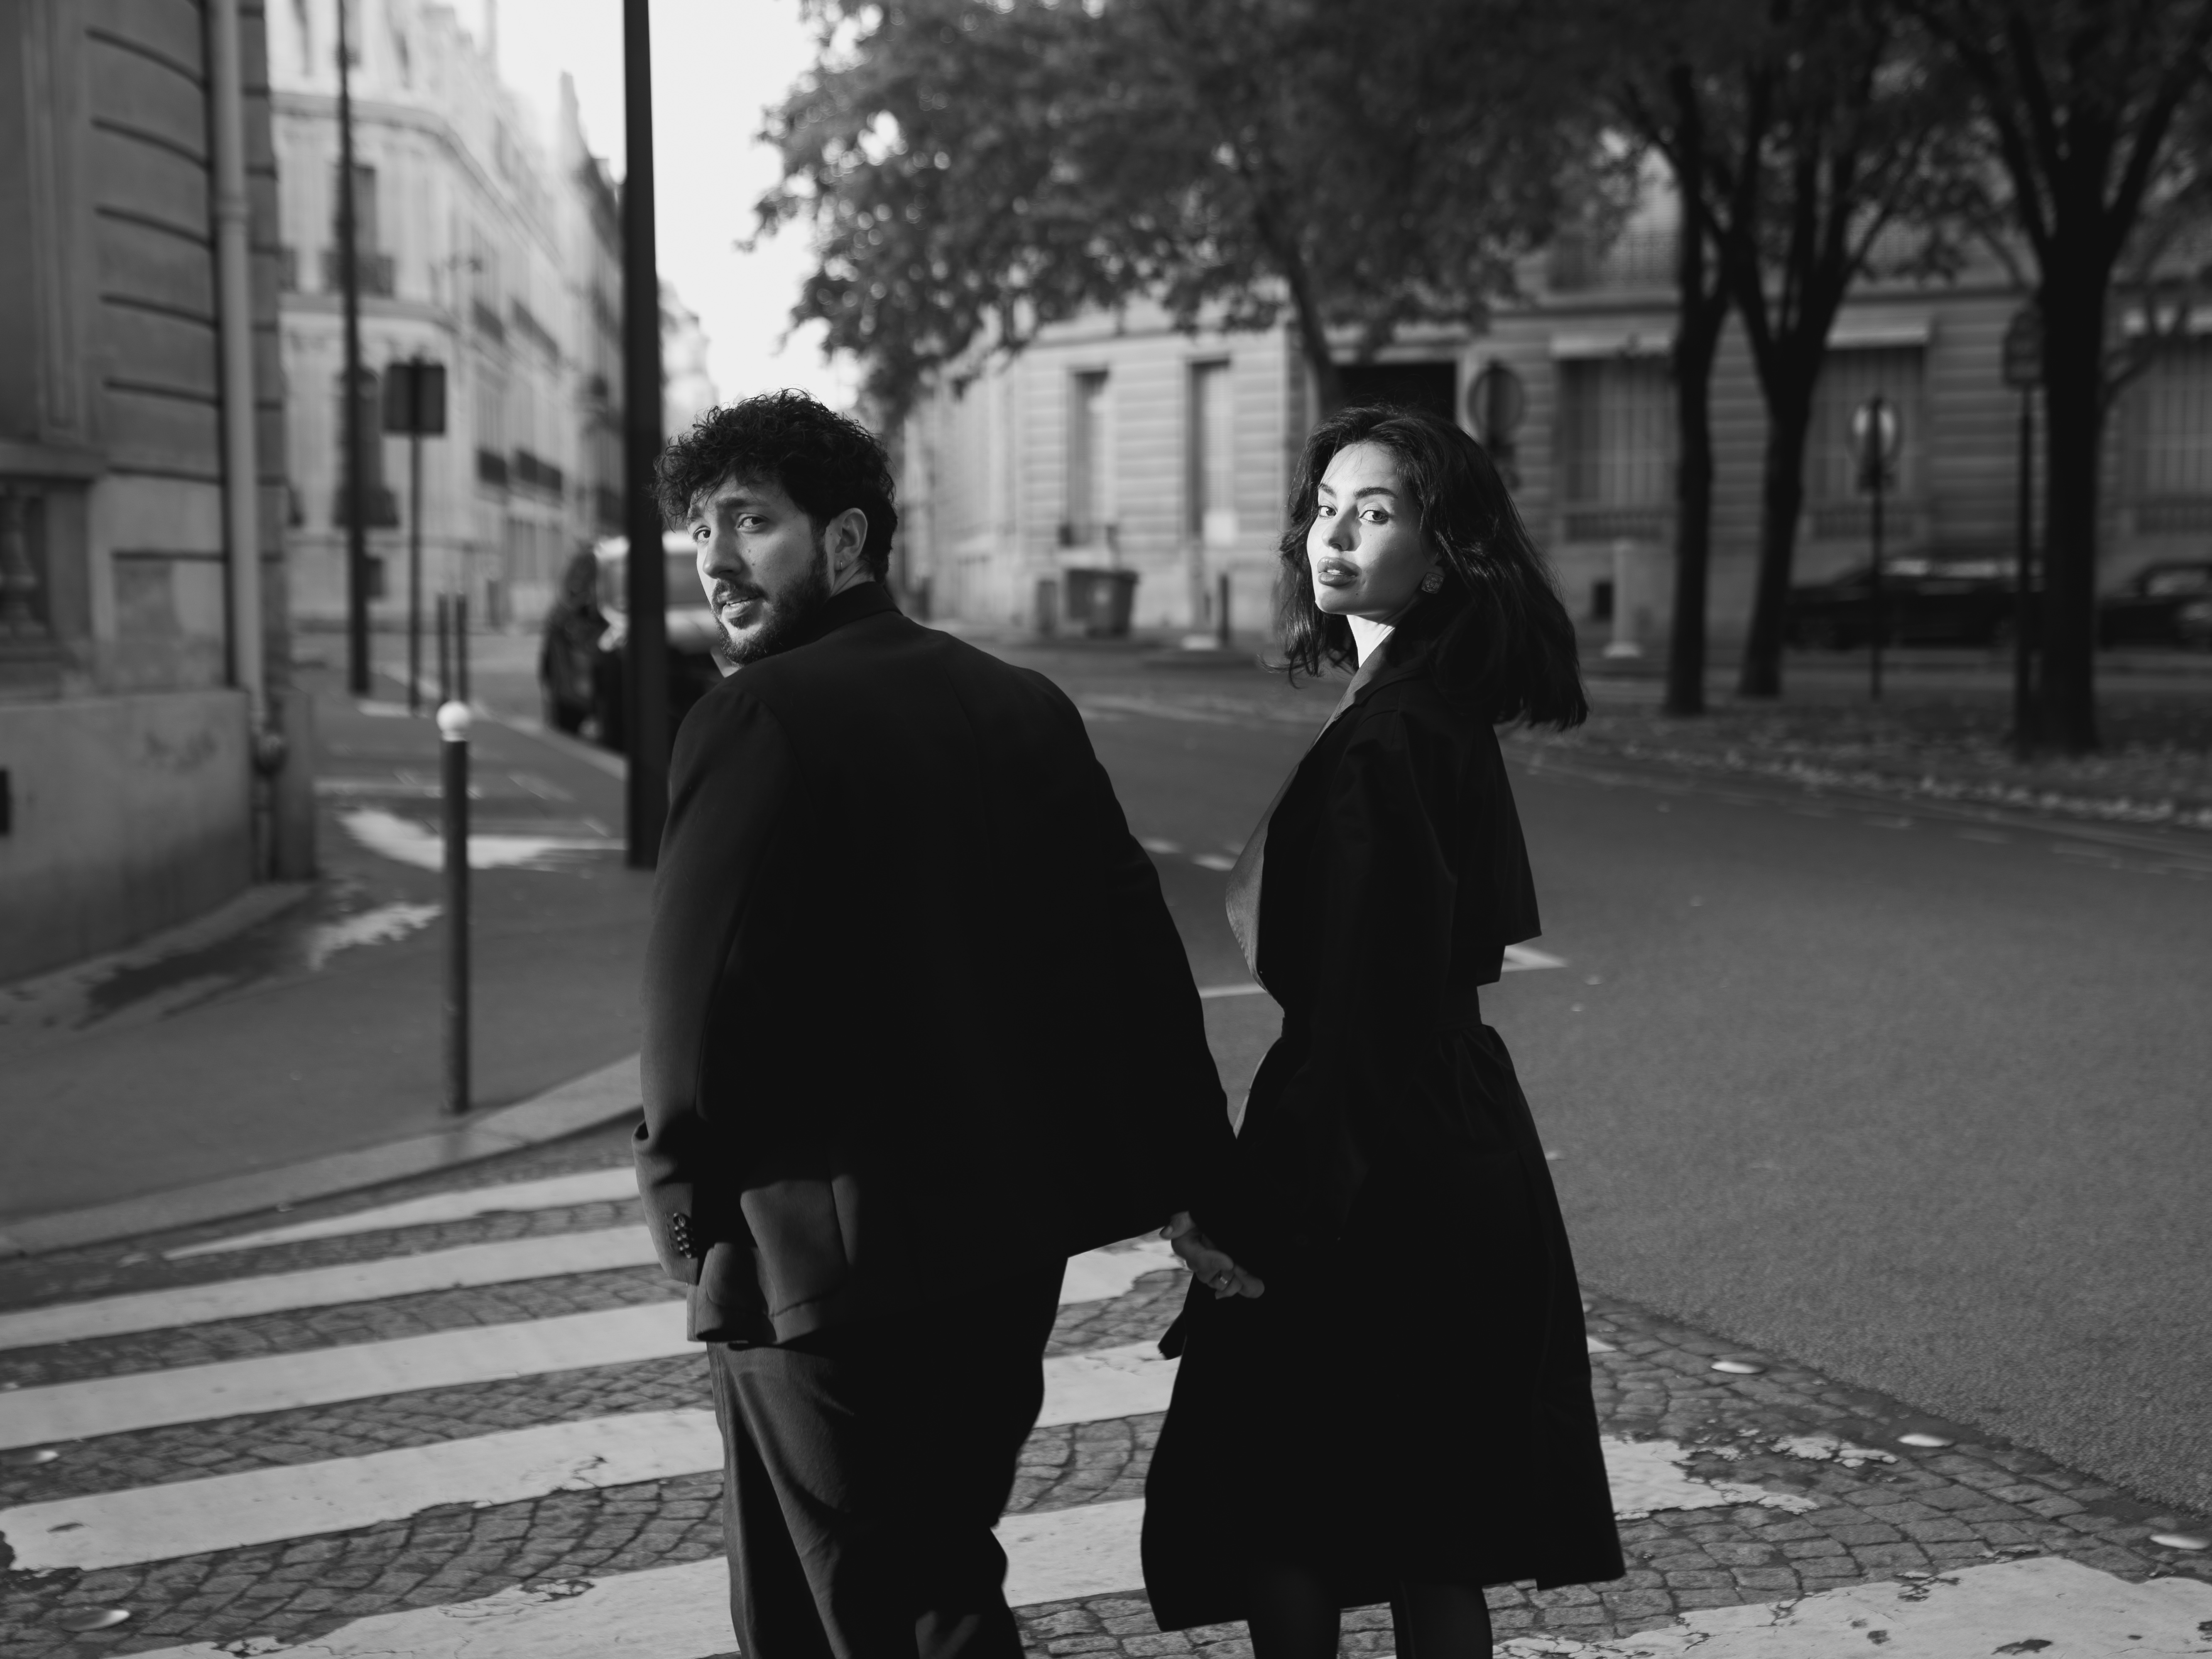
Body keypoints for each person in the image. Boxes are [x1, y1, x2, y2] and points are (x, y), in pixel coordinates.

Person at [633, 391, 1245, 1658]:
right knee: (913, 1570)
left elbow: (690, 1012)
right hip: (1006, 1251)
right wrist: (1194, 1172)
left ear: (847, 542)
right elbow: (1135, 961)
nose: (716, 554)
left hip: (820, 1263)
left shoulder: (753, 718)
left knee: (888, 1607)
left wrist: (684, 1215)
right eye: (702, 525)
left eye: (753, 520)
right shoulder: (1019, 701)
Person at [1141, 405, 1625, 1656]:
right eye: (1326, 506)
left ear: (1444, 546)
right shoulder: (1427, 707)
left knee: (1275, 1506)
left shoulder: (1392, 736)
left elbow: (1363, 1009)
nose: (1337, 533)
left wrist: (1254, 1213)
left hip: (1374, 1157)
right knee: (1424, 1525)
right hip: (1447, 1131)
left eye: (1381, 509)